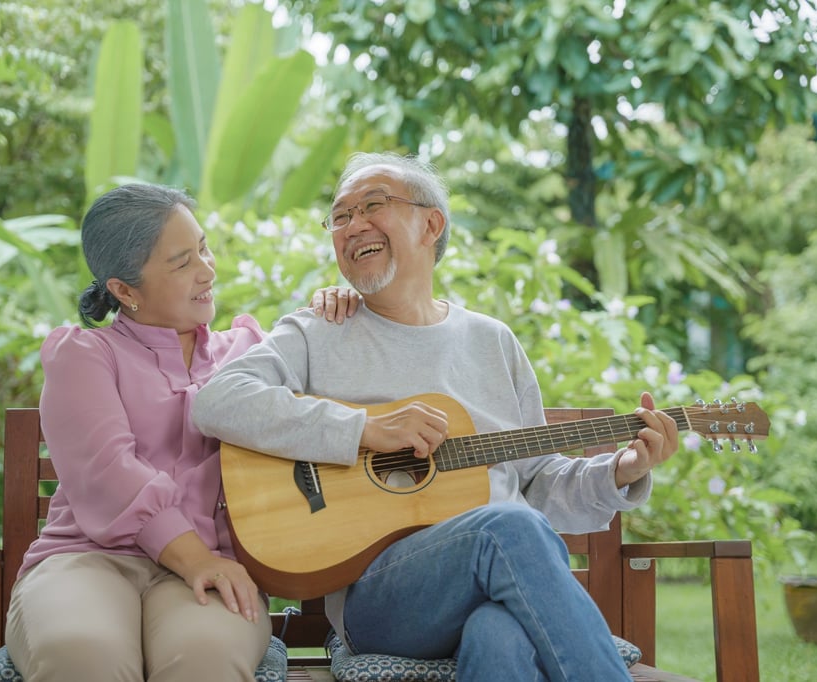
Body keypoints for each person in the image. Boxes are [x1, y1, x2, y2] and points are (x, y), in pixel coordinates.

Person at [192, 152, 680, 681]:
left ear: (432, 224)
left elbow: (537, 481)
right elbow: (219, 400)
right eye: (340, 216)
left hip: (496, 583)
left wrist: (620, 472)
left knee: (500, 635)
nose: (353, 225)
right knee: (511, 528)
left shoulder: (492, 341)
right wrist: (365, 429)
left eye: (372, 205)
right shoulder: (318, 331)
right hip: (383, 598)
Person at [4, 182, 358, 682]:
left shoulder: (250, 351)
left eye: (204, 248)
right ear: (124, 290)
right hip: (88, 560)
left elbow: (337, 396)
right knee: (82, 654)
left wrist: (341, 308)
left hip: (219, 567)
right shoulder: (85, 357)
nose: (207, 270)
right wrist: (191, 558)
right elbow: (108, 472)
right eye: (181, 262)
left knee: (204, 661)